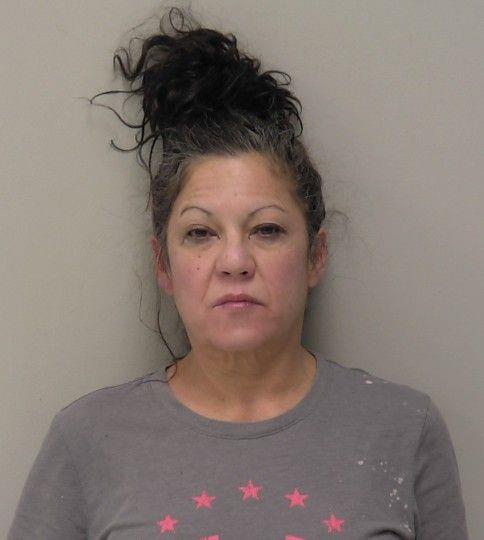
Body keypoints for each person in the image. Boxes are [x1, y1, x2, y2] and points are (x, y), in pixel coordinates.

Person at [8, 6, 468, 539]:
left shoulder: (404, 429)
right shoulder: (85, 441)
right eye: (200, 233)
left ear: (316, 255)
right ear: (163, 265)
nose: (234, 262)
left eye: (267, 230)